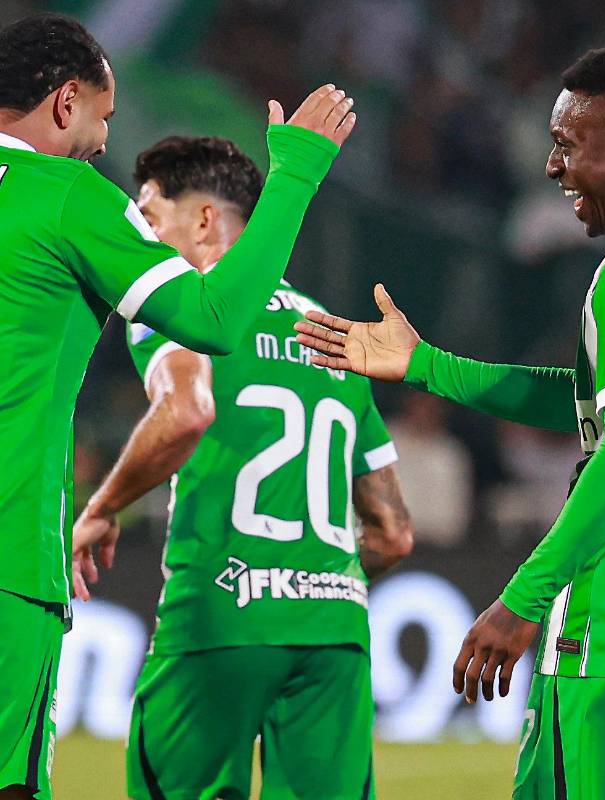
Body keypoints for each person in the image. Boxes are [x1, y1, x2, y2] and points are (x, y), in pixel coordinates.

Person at [294, 44, 605, 799]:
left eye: (564, 146)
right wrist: (425, 365)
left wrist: (523, 599)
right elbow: (604, 403)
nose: (552, 169)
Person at [0, 13, 354, 800]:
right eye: (103, 115)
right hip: (8, 551)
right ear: (65, 103)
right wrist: (296, 174)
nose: (103, 141)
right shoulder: (64, 196)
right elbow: (215, 320)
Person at [72, 135, 414, 800]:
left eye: (148, 218)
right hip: (333, 633)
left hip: (222, 621)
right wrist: (306, 585)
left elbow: (183, 411)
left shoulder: (185, 312)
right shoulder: (335, 336)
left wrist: (103, 507)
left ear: (203, 220)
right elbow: (394, 532)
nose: (140, 237)